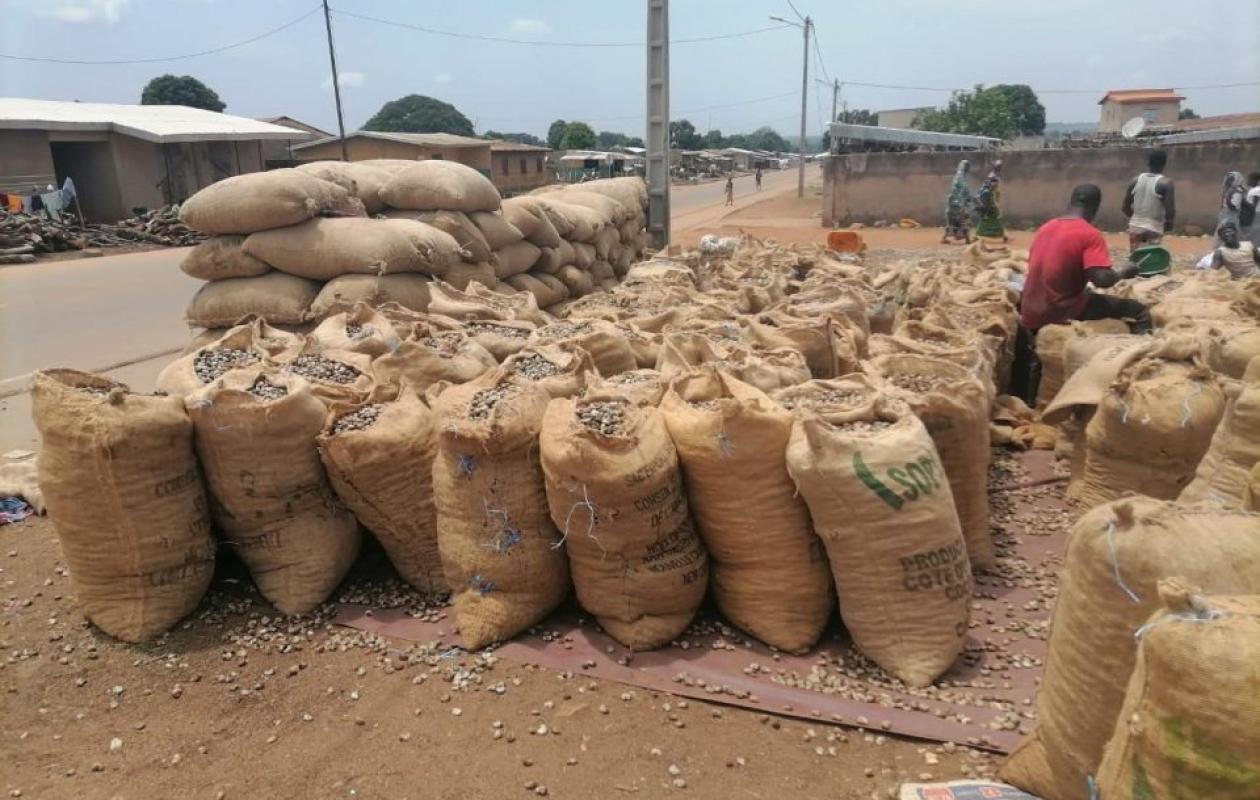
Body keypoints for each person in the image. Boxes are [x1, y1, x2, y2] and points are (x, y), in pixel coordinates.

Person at [1012, 185, 1150, 404]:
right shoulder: (1089, 234)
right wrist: (1126, 271)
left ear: (1072, 201)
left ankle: (1027, 398)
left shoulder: (1046, 227)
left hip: (1030, 306)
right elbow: (1101, 280)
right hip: (1061, 308)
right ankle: (1143, 370)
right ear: (1095, 207)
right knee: (1138, 311)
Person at [1122, 150, 1175, 251]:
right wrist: (1168, 225)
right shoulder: (1166, 183)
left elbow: (1125, 207)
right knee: (1151, 262)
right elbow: (1170, 212)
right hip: (1153, 228)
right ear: (1164, 163)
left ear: (1148, 162)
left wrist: (1137, 219)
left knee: (1135, 258)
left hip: (1135, 227)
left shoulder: (1135, 180)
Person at [941, 159, 974, 244]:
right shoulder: (959, 177)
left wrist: (969, 197)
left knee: (957, 220)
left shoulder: (963, 177)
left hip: (958, 201)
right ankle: (966, 238)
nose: (967, 169)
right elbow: (959, 189)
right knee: (961, 219)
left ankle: (962, 237)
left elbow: (965, 190)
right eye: (966, 167)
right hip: (956, 202)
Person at [974, 160, 1007, 242]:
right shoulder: (992, 176)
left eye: (1000, 166)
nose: (999, 168)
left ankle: (1002, 234)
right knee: (991, 216)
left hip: (991, 197)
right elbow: (990, 187)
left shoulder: (995, 175)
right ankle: (1002, 235)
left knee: (993, 216)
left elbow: (996, 189)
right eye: (998, 166)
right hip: (988, 197)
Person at [1216, 171, 1246, 244]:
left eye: (1231, 179)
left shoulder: (1237, 191)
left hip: (1231, 215)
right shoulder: (1230, 190)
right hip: (1227, 214)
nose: (1228, 181)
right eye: (1228, 179)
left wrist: (1228, 199)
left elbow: (1233, 206)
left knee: (1230, 231)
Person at [1240, 170, 1260, 246]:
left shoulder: (1257, 190)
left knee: (1254, 234)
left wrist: (1243, 200)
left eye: (1250, 179)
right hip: (1255, 214)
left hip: (1256, 214)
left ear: (1257, 180)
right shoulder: (1253, 190)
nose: (1248, 180)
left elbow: (1253, 207)